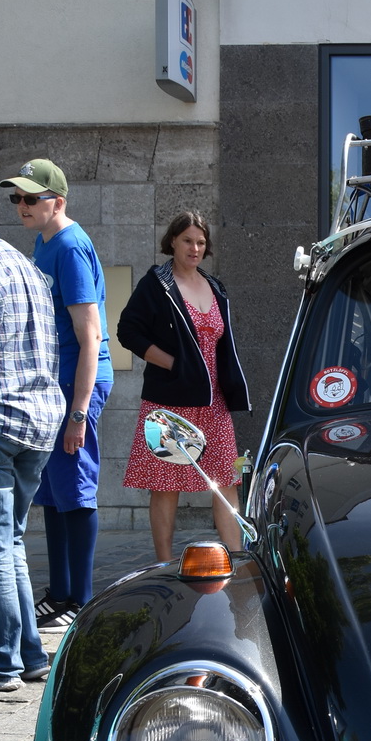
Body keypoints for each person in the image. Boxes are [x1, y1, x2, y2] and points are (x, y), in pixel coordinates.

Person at [2, 159, 112, 630]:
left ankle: (81, 602)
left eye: (31, 198)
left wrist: (79, 413)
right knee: (51, 491)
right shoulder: (42, 241)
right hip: (52, 382)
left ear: (58, 201)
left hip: (77, 383)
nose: (22, 206)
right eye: (17, 198)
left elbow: (90, 336)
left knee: (75, 486)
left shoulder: (70, 246)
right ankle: (61, 592)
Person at [118, 212, 250, 564]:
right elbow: (128, 332)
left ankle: (237, 561)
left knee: (226, 481)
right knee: (165, 485)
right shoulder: (156, 283)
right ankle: (163, 564)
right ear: (173, 241)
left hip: (214, 402)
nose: (195, 248)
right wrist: (173, 364)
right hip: (170, 401)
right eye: (188, 240)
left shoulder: (216, 286)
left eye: (201, 242)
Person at [0, 224, 66, 691]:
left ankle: (0, 666)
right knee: (10, 540)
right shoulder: (26, 266)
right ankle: (31, 655)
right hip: (39, 418)